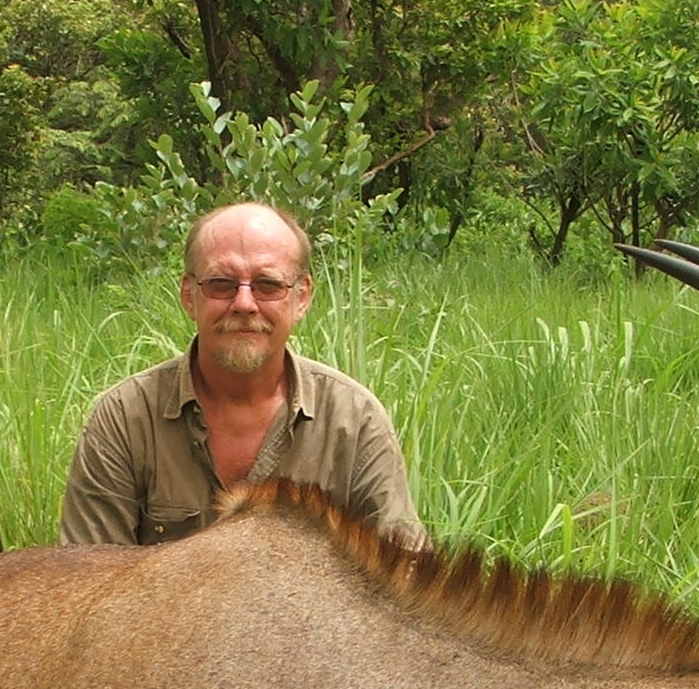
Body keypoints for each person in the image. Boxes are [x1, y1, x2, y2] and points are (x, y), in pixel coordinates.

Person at [59, 201, 427, 548]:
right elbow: (88, 586)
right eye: (222, 284)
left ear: (302, 297)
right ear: (189, 295)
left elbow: (406, 582)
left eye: (268, 285)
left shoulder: (355, 421)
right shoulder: (124, 419)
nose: (244, 303)